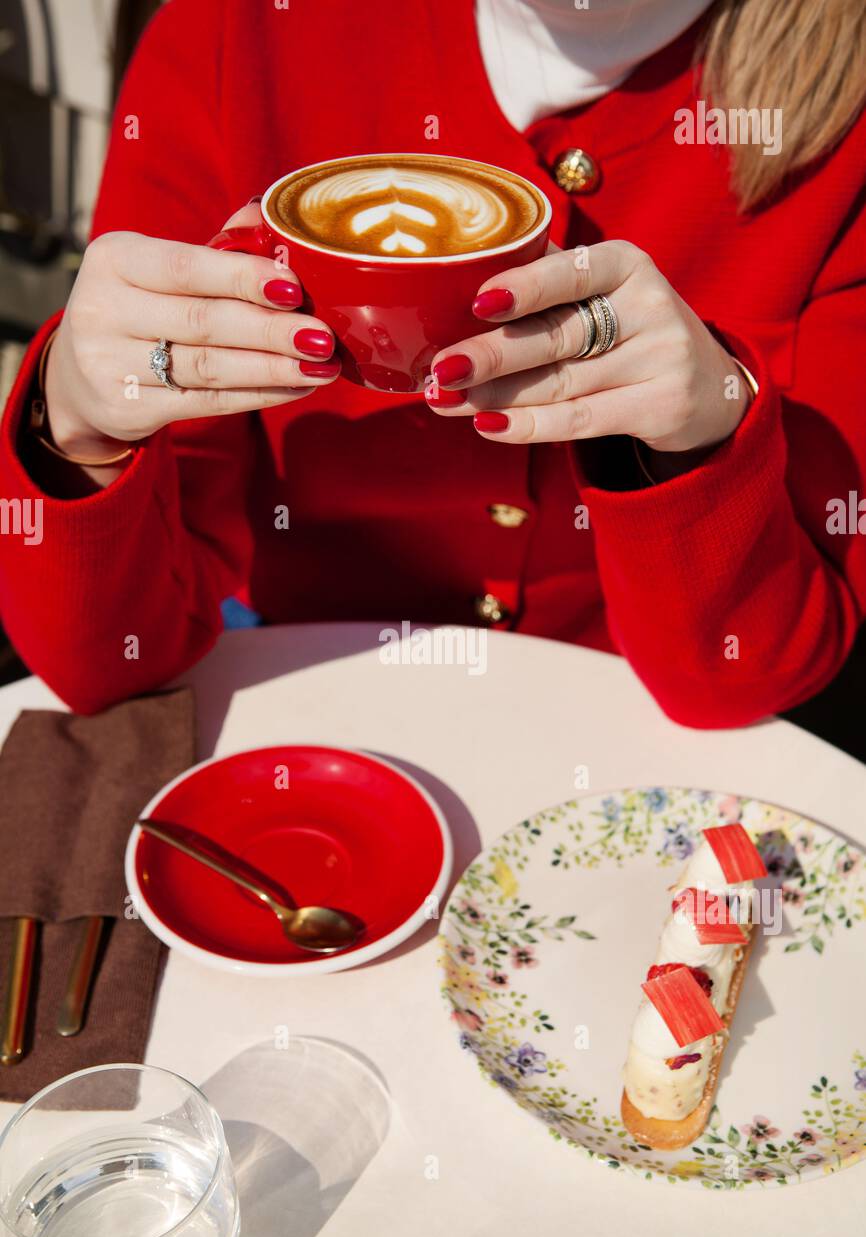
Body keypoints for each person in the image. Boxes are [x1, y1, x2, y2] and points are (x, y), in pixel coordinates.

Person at [0, 0, 864, 726]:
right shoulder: (242, 28)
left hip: (635, 760)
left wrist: (701, 436)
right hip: (312, 720)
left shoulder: (840, 115)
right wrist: (74, 425)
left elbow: (751, 680)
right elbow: (112, 668)